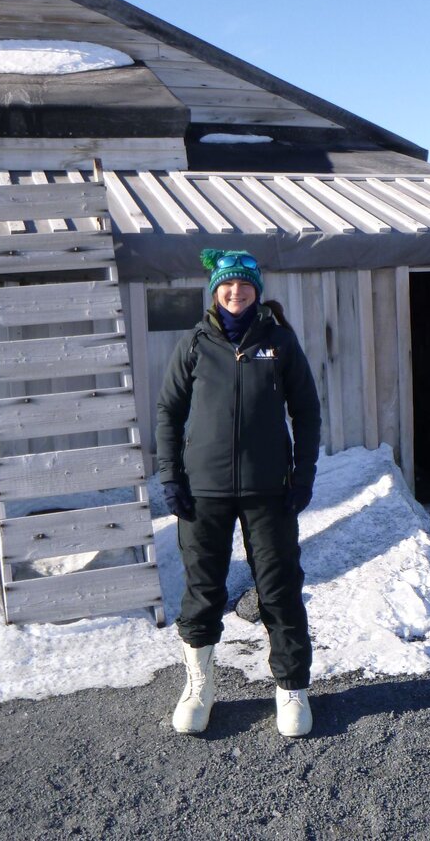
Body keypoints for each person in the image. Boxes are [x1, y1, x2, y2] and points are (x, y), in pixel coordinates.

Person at [155, 249, 321, 737]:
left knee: (279, 588)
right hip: (203, 491)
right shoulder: (193, 345)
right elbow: (168, 412)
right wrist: (171, 478)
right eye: (227, 285)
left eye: (244, 285)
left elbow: (307, 412)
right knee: (203, 590)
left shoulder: (280, 342)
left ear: (256, 290)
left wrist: (303, 474)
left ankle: (292, 689)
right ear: (215, 291)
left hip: (269, 489)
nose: (235, 292)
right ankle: (199, 687)